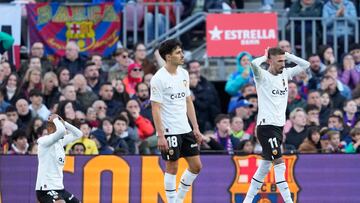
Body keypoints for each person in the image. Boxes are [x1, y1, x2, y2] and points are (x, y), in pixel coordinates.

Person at [244, 47, 310, 203]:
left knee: (265, 166)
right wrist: (264, 55)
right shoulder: (262, 76)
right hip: (266, 127)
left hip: (278, 128)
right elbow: (254, 64)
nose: (283, 64)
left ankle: (247, 200)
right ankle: (289, 201)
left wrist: (287, 55)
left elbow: (305, 65)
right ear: (270, 61)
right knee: (279, 163)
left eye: (284, 61)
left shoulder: (285, 74)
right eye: (279, 61)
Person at [150, 39, 202, 203]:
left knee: (196, 166)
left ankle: (178, 199)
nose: (182, 55)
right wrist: (160, 135)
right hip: (169, 130)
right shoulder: (158, 79)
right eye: (178, 52)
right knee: (172, 166)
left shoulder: (184, 74)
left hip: (185, 129)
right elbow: (155, 108)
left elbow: (188, 101)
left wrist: (195, 127)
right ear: (168, 57)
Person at [35, 114, 83, 203]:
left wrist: (64, 123)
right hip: (45, 189)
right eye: (53, 125)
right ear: (49, 128)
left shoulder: (60, 141)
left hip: (60, 189)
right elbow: (61, 131)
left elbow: (79, 134)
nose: (56, 127)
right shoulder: (44, 141)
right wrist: (56, 120)